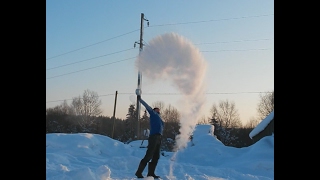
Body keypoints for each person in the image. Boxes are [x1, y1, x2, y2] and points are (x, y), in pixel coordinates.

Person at [135, 92, 164, 179]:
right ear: (154, 110)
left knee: (156, 156)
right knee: (149, 155)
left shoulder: (160, 118)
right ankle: (138, 172)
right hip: (153, 137)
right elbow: (147, 106)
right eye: (157, 109)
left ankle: (151, 174)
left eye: (159, 109)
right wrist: (140, 99)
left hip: (159, 137)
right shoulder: (153, 114)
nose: (158, 110)